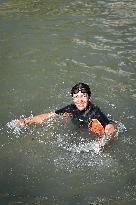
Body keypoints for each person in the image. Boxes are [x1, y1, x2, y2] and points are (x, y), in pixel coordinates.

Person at [18, 82, 117, 149]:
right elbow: (50, 115)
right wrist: (27, 121)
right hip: (79, 129)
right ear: (73, 99)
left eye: (84, 96)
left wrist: (104, 140)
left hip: (93, 132)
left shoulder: (95, 112)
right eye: (76, 97)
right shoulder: (71, 108)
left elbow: (109, 126)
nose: (80, 100)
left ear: (89, 97)